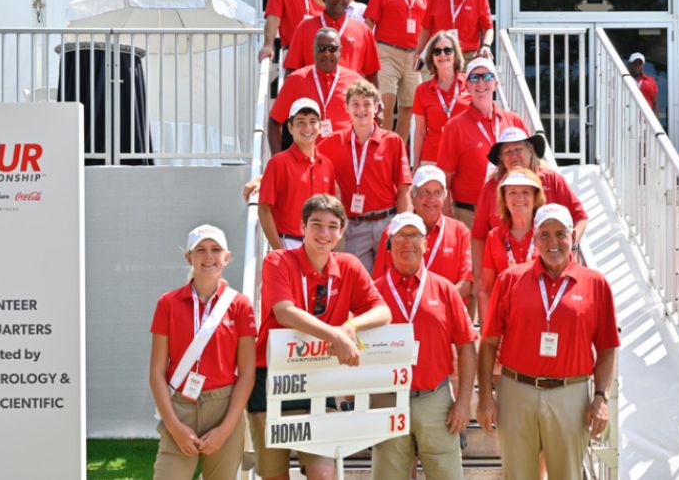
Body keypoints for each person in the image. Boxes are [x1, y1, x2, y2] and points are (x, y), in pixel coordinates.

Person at [249, 194, 392, 480]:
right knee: (273, 474)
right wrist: (335, 336)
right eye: (316, 224)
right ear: (302, 227)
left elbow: (382, 312)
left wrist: (349, 328)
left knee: (323, 473)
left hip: (319, 377)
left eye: (331, 226)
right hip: (272, 376)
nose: (324, 234)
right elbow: (284, 312)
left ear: (341, 231)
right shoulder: (278, 260)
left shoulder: (349, 264)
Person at [478, 204, 620, 480]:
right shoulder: (510, 279)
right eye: (544, 235)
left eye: (560, 234)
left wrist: (600, 397)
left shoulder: (596, 284)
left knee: (567, 475)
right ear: (534, 239)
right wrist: (485, 395)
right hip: (516, 390)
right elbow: (489, 343)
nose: (553, 242)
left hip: (570, 393)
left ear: (572, 237)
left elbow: (606, 347)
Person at [370, 212, 476, 480]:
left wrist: (463, 402)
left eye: (415, 235)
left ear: (425, 243)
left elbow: (466, 346)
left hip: (435, 399)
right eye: (401, 236)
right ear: (389, 244)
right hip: (388, 399)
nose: (408, 242)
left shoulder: (444, 290)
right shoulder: (373, 293)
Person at [149, 225, 256, 480]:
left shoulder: (240, 305)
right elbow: (156, 372)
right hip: (181, 407)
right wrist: (174, 427)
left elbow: (247, 372)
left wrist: (226, 429)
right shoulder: (168, 303)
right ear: (189, 257)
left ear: (226, 257)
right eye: (201, 250)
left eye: (216, 250)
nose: (209, 257)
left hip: (225, 407)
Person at [472, 127, 588, 286]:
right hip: (504, 278)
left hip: (552, 273)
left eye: (518, 149)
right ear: (501, 159)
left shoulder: (551, 179)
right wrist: (479, 279)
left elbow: (580, 218)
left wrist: (570, 248)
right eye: (507, 152)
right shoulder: (491, 187)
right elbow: (479, 235)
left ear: (530, 151)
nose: (514, 155)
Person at [318, 79, 412, 271]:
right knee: (357, 284)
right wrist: (262, 178)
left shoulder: (392, 141)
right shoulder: (334, 142)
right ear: (346, 108)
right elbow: (305, 161)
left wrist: (403, 228)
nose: (361, 110)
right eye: (356, 104)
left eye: (367, 104)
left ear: (377, 107)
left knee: (389, 280)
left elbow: (404, 188)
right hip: (354, 225)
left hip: (387, 222)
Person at [436, 58, 526, 228]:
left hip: (510, 214)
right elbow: (443, 181)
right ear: (467, 86)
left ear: (496, 83)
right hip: (469, 215)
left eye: (487, 76)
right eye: (474, 78)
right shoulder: (454, 127)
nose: (481, 83)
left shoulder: (514, 121)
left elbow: (531, 168)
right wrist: (449, 225)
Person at [371, 166, 474, 298]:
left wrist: (437, 306)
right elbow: (380, 283)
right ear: (413, 196)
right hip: (404, 314)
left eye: (437, 193)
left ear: (444, 197)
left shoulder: (460, 231)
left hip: (445, 313)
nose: (431, 199)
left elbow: (466, 283)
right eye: (425, 192)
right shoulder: (393, 232)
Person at [365, 0, 430, 141]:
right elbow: (369, 24)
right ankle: (380, 146)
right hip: (386, 51)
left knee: (410, 105)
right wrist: (365, 52)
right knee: (386, 99)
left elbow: (429, 29)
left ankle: (397, 150)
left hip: (414, 56)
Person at [259, 98, 338, 250]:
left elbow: (330, 211)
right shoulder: (278, 162)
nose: (307, 127)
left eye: (312, 121)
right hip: (289, 244)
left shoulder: (326, 164)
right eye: (300, 122)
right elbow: (264, 209)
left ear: (320, 126)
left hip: (320, 246)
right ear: (290, 127)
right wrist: (279, 249)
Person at [267, 27, 361, 153]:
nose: (327, 53)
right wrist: (276, 159)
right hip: (307, 161)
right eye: (321, 48)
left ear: (340, 51)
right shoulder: (296, 79)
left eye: (332, 48)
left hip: (344, 159)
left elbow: (367, 121)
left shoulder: (354, 80)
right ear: (313, 50)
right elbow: (274, 121)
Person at [283, 0, 380, 85]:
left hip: (350, 98)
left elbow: (372, 74)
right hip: (313, 97)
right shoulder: (304, 28)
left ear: (349, 0)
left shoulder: (363, 31)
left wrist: (376, 101)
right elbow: (292, 69)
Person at [479, 168, 546, 322]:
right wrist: (488, 332)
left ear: (536, 198)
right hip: (506, 321)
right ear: (504, 198)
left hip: (542, 320)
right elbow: (485, 290)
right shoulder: (494, 236)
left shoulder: (548, 235)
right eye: (512, 192)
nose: (519, 198)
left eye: (526, 192)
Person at [411, 30, 470, 168]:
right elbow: (420, 132)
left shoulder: (469, 83)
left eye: (448, 50)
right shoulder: (422, 90)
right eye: (437, 51)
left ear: (455, 55)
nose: (442, 55)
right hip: (431, 159)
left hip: (464, 157)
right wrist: (415, 166)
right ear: (431, 57)